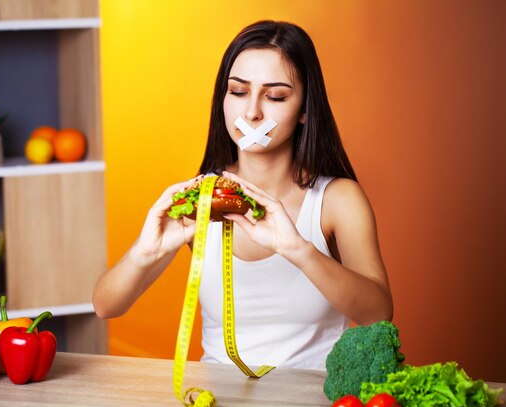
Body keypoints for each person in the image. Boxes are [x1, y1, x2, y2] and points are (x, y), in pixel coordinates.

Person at [93, 20, 393, 370]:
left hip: (311, 402)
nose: (252, 112)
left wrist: (298, 249)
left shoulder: (337, 200)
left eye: (275, 95)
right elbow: (105, 306)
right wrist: (147, 252)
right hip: (221, 402)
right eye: (238, 92)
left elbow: (378, 314)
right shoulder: (202, 198)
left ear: (306, 110)